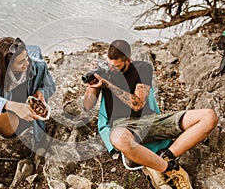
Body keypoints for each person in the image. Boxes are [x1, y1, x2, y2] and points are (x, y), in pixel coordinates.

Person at [83, 40, 218, 189]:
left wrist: (109, 84)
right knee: (118, 139)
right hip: (124, 126)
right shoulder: (105, 72)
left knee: (209, 117)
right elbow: (88, 106)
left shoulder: (143, 68)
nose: (111, 68)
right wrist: (92, 87)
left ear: (128, 60)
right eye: (109, 64)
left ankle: (164, 158)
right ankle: (169, 169)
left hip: (151, 120)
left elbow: (138, 104)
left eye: (115, 66)